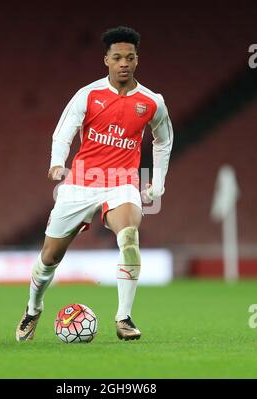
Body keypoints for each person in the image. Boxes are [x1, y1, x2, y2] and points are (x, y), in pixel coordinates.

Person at [16, 26, 173, 342]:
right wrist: (57, 162)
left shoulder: (152, 102)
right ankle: (33, 309)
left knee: (129, 237)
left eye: (129, 57)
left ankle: (124, 317)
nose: (123, 63)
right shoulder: (88, 94)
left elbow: (164, 140)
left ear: (137, 60)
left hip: (122, 184)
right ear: (107, 60)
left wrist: (158, 183)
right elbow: (64, 132)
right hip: (80, 184)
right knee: (49, 257)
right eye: (117, 58)